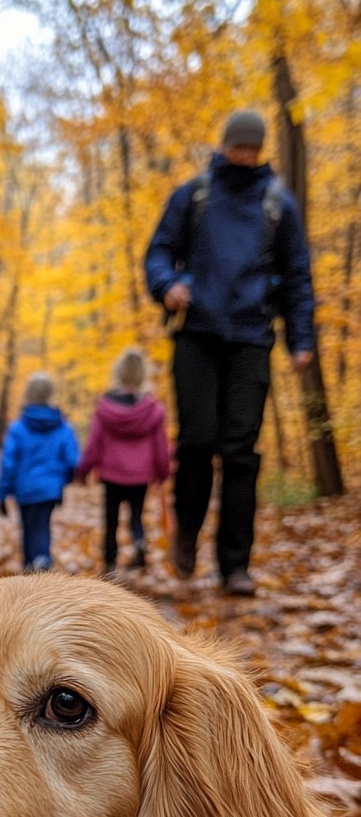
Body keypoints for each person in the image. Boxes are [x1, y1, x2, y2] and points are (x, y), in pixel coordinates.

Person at [144, 109, 314, 597]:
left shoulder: (277, 204)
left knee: (241, 453)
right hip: (196, 333)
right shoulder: (193, 196)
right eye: (236, 146)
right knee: (197, 443)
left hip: (251, 338)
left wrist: (301, 339)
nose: (243, 154)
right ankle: (187, 539)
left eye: (250, 148)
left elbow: (299, 275)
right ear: (223, 146)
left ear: (259, 150)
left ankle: (235, 565)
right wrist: (166, 284)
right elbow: (158, 251)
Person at [76, 347, 170, 573]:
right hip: (140, 475)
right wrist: (162, 472)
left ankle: (109, 561)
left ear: (118, 373)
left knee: (111, 519)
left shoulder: (105, 407)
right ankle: (138, 543)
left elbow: (94, 442)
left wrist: (83, 471)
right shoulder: (153, 409)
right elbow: (161, 446)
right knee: (136, 515)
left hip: (111, 474)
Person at [0, 373, 79, 571]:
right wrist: (62, 481)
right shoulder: (63, 427)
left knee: (28, 527)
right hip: (50, 488)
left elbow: (8, 463)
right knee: (43, 524)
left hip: (25, 488)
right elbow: (72, 460)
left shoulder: (18, 428)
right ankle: (42, 558)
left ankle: (29, 566)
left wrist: (2, 493)